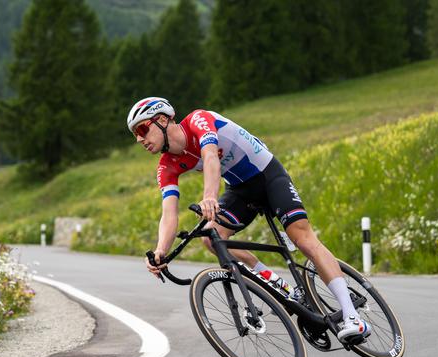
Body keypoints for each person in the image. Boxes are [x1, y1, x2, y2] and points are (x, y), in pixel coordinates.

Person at [128, 97, 371, 343]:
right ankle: (281, 287)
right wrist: (161, 251)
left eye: (142, 129)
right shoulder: (166, 165)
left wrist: (210, 197)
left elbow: (210, 155)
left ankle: (353, 317)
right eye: (135, 134)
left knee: (303, 239)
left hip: (268, 175)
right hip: (241, 191)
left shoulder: (198, 120)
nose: (139, 139)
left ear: (161, 120)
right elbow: (169, 212)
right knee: (212, 239)